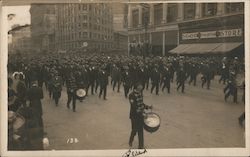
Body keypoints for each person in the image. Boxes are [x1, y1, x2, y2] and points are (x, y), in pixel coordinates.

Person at [128, 83, 152, 149]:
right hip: (134, 116)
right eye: (140, 85)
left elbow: (141, 104)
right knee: (134, 130)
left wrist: (148, 107)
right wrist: (142, 114)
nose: (141, 86)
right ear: (136, 86)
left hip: (140, 115)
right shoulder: (131, 95)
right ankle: (131, 140)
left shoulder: (140, 93)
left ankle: (141, 146)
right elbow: (134, 106)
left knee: (140, 131)